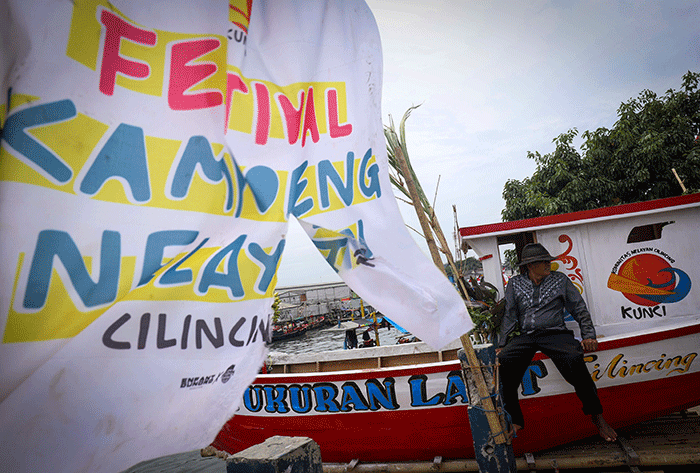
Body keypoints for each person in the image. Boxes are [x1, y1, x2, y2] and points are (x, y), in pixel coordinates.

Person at [496, 243, 617, 442]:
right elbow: (509, 315)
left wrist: (588, 335)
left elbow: (578, 307)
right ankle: (515, 419)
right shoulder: (515, 284)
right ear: (529, 265)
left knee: (574, 359)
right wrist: (502, 343)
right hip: (526, 335)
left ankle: (597, 416)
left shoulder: (560, 280)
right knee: (504, 362)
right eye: (543, 261)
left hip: (555, 334)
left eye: (548, 260)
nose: (548, 264)